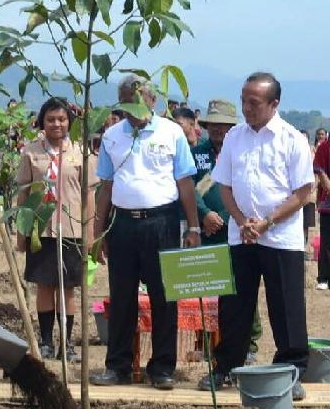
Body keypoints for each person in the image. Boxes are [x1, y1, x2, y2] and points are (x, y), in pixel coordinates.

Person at [198, 72, 313, 402]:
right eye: (243, 100)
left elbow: (303, 192)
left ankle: (292, 370)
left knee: (286, 306)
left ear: (273, 104)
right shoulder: (235, 137)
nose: (246, 108)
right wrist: (241, 221)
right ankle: (226, 367)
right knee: (234, 305)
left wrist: (266, 222)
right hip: (241, 235)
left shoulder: (292, 139)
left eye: (254, 102)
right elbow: (224, 185)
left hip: (280, 237)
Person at [90, 75, 200, 390]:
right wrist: (98, 233)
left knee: (164, 297)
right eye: (124, 104)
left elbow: (185, 184)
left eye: (136, 103)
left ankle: (162, 368)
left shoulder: (172, 132)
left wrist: (192, 226)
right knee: (122, 296)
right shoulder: (111, 135)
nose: (130, 111)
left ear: (152, 101)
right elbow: (106, 187)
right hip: (122, 224)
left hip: (162, 223)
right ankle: (118, 366)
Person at [16, 97, 98, 363]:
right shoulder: (31, 152)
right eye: (51, 119)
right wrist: (21, 233)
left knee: (68, 288)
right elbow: (23, 194)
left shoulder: (79, 152)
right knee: (44, 285)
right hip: (41, 229)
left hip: (72, 228)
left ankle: (68, 343)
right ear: (42, 122)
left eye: (62, 119)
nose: (56, 124)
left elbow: (89, 194)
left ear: (69, 122)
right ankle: (46, 341)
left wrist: (90, 233)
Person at [191, 99, 263, 363]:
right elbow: (188, 186)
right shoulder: (197, 152)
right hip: (205, 230)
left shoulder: (243, 151)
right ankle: (205, 342)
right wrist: (205, 215)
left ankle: (250, 343)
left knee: (241, 289)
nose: (219, 130)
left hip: (236, 229)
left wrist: (223, 216)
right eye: (214, 125)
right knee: (206, 287)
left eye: (224, 125)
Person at [313, 130, 330, 290]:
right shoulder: (324, 146)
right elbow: (319, 169)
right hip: (328, 203)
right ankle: (323, 278)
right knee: (326, 242)